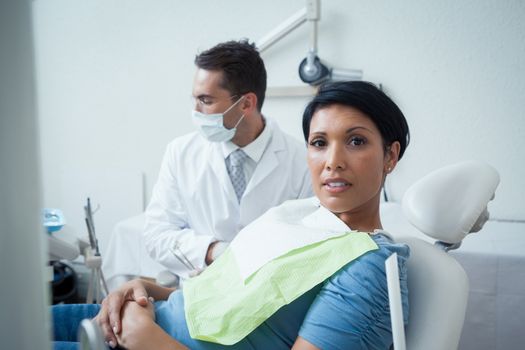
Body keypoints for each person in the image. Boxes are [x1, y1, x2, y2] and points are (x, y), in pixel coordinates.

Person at [52, 81, 411, 350]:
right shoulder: (300, 215)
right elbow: (228, 300)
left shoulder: (370, 268)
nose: (332, 161)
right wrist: (147, 291)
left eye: (356, 141)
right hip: (140, 318)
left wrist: (150, 340)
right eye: (319, 143)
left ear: (390, 156)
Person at [143, 39, 313, 277]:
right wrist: (214, 251)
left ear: (246, 103)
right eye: (195, 99)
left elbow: (312, 241)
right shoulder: (180, 153)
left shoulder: (302, 161)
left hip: (273, 297)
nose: (196, 111)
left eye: (206, 100)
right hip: (202, 294)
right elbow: (156, 234)